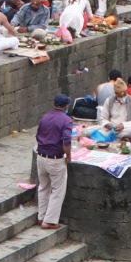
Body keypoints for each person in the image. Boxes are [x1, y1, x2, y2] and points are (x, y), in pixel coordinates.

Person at [34, 94, 77, 230]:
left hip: (41, 156)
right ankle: (50, 221)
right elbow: (66, 141)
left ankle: (41, 217)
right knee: (57, 191)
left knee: (43, 187)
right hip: (55, 159)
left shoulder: (45, 117)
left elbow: (38, 135)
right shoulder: (66, 120)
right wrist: (68, 156)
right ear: (65, 106)